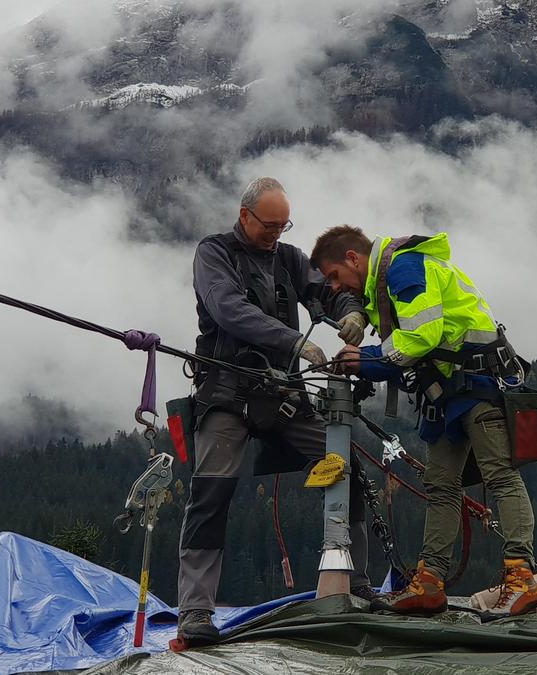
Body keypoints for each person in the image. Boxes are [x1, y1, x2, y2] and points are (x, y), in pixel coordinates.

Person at [309, 225, 537, 617]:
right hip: (449, 393)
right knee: (441, 485)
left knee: (500, 475)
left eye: (334, 276)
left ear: (353, 259)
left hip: (478, 383)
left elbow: (422, 335)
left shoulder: (404, 268)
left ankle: (522, 578)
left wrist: (366, 360)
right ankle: (430, 582)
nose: (334, 287)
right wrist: (366, 355)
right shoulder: (385, 285)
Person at [177, 179, 374, 645]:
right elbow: (228, 309)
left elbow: (325, 293)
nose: (276, 233)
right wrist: (296, 342)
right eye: (269, 225)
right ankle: (195, 613)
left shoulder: (288, 258)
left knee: (347, 469)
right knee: (211, 493)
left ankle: (358, 587)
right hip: (226, 392)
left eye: (283, 225)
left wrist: (350, 312)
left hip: (283, 395)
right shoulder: (214, 254)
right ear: (244, 216)